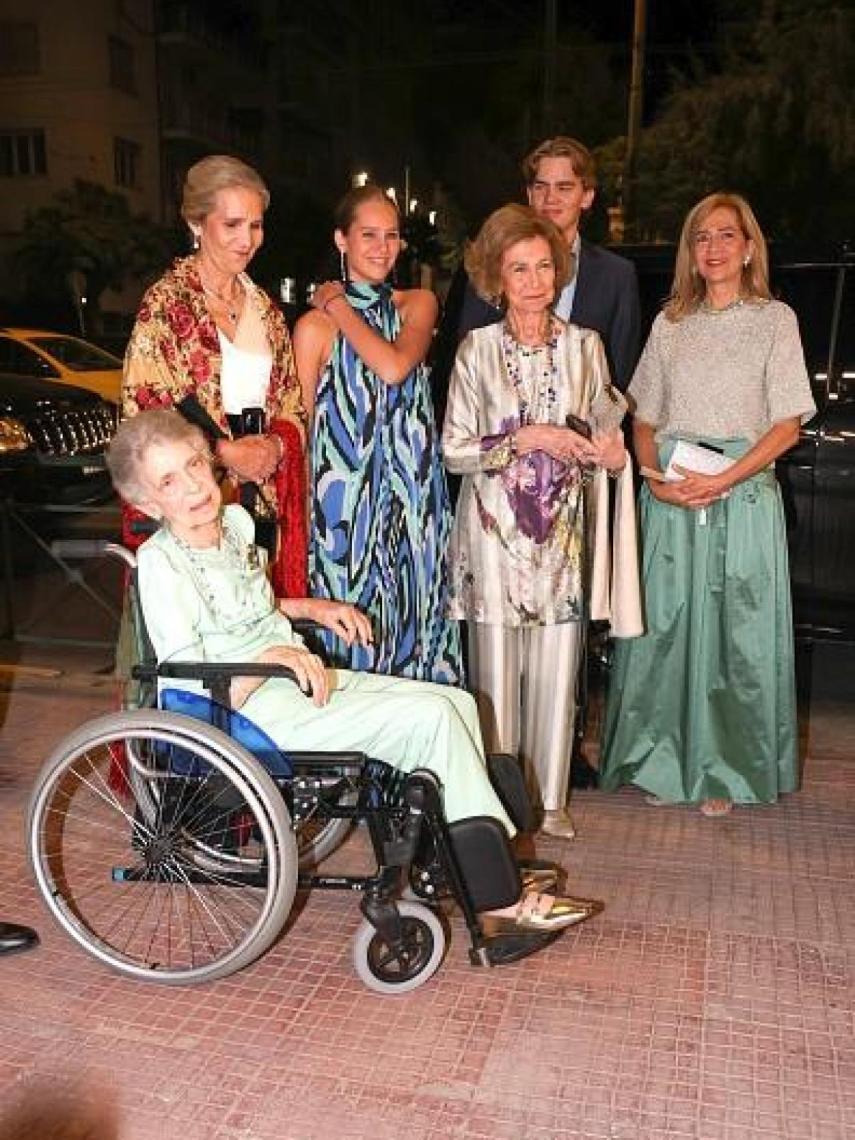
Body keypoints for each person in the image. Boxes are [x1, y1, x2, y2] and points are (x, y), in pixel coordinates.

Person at [106, 409, 602, 934]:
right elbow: (186, 677)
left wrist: (313, 609)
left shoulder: (233, 525)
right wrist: (271, 659)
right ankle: (495, 894)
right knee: (430, 720)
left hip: (293, 677)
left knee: (455, 703)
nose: (191, 486)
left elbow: (250, 607)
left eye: (194, 465)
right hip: (244, 711)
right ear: (145, 502)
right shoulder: (161, 565)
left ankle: (468, 857)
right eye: (168, 481)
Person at [600, 192, 816, 816]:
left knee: (733, 638)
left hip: (741, 497)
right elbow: (643, 413)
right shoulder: (671, 322)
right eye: (702, 237)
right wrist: (651, 471)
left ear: (749, 247)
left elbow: (786, 427)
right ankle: (657, 760)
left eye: (727, 235)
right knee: (663, 633)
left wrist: (723, 480)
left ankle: (723, 771)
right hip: (671, 494)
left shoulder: (776, 320)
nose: (714, 247)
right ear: (691, 253)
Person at [442, 205, 642, 839]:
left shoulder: (588, 347)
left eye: (544, 266)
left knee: (560, 667)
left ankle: (550, 804)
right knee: (495, 677)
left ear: (560, 272)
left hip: (563, 535)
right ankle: (500, 801)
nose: (533, 280)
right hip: (493, 532)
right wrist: (524, 437)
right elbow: (453, 448)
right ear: (496, 279)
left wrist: (612, 453)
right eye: (518, 268)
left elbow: (608, 437)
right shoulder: (475, 349)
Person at [294, 184, 461, 683]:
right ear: (341, 240)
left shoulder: (418, 304)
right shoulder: (311, 330)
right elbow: (304, 430)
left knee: (417, 630)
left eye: (391, 235)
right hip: (343, 514)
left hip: (414, 504)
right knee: (348, 640)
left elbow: (392, 367)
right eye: (368, 234)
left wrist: (337, 304)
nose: (382, 247)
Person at [122, 155, 307, 598]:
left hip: (261, 509)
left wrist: (275, 445)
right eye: (233, 225)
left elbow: (293, 405)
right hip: (190, 507)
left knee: (262, 632)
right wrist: (224, 453)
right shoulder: (165, 305)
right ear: (197, 224)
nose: (248, 240)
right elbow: (144, 415)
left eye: (257, 226)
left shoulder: (266, 310)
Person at [452, 136, 641, 392]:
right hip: (502, 425)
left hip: (583, 429)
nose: (550, 198)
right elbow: (468, 358)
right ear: (530, 195)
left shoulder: (617, 276)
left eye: (564, 188)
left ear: (586, 197)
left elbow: (619, 380)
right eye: (541, 187)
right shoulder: (491, 263)